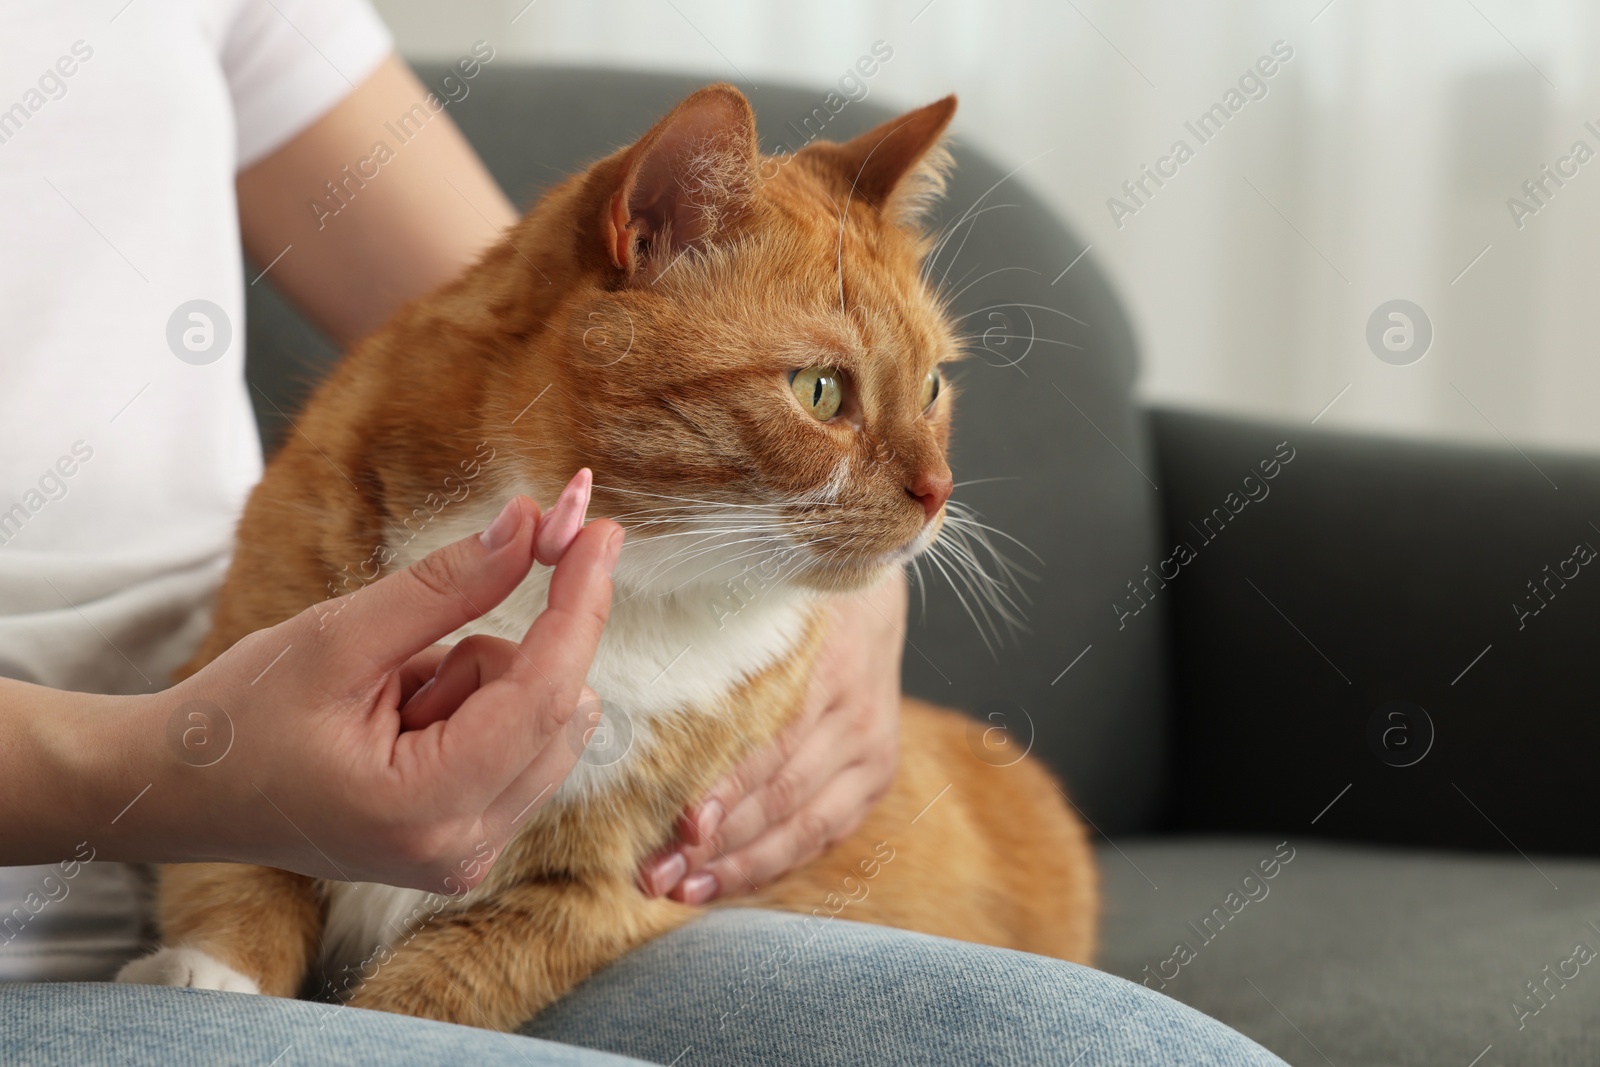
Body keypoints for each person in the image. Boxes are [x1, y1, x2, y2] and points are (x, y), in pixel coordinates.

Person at [0, 3, 1288, 1064]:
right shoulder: (310, 542)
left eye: (932, 389)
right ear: (657, 226)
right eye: (829, 391)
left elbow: (523, 297)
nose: (933, 487)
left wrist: (844, 576)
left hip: (384, 857)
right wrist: (179, 770)